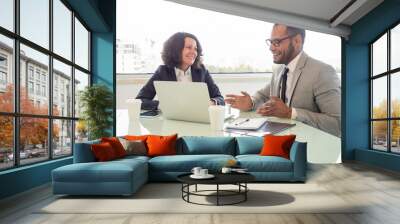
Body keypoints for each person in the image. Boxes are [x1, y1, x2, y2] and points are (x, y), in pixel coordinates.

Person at [225, 24, 341, 137]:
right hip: (279, 141)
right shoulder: (280, 70)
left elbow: (337, 123)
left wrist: (291, 113)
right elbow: (262, 95)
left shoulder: (322, 72)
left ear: (297, 41)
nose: (271, 48)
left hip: (310, 148)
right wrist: (251, 102)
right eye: (270, 42)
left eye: (277, 42)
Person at [136, 32, 224, 110]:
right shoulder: (162, 71)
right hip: (172, 122)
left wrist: (212, 102)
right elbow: (140, 101)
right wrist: (163, 105)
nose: (193, 52)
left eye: (195, 49)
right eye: (189, 47)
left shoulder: (202, 71)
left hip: (197, 119)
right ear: (176, 49)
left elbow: (220, 98)